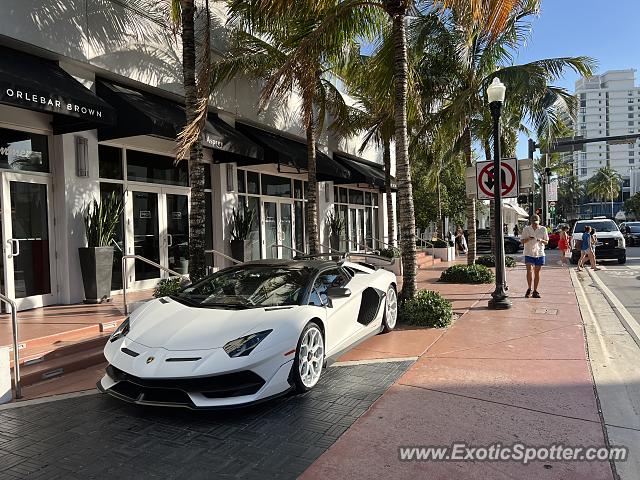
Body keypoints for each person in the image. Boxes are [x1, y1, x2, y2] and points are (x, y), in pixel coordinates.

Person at [521, 214, 549, 298]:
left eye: (536, 223)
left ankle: (535, 290)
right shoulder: (526, 229)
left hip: (539, 253)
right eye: (533, 222)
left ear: (539, 222)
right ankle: (529, 288)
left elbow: (547, 241)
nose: (535, 224)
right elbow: (522, 241)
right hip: (529, 252)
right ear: (531, 222)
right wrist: (528, 238)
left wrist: (541, 240)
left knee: (537, 272)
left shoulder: (543, 229)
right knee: (529, 270)